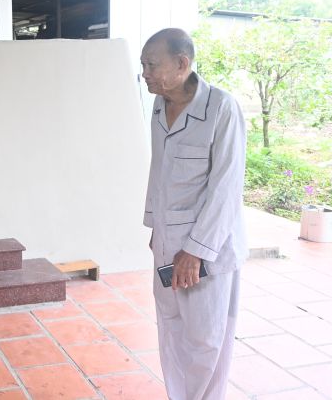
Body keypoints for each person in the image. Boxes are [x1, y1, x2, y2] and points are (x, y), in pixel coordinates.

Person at [140, 28, 247, 400]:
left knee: (206, 339)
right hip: (167, 242)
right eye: (143, 65)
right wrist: (155, 227)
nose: (145, 73)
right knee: (170, 328)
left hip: (206, 250)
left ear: (182, 64)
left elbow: (227, 187)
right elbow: (159, 169)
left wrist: (196, 250)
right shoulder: (158, 106)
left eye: (151, 64)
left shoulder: (221, 108)